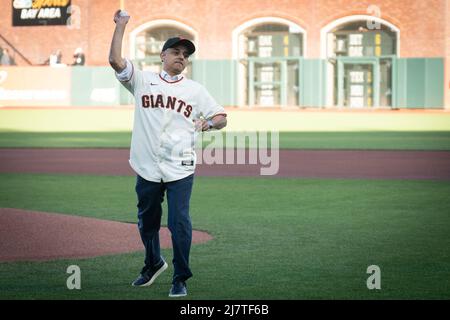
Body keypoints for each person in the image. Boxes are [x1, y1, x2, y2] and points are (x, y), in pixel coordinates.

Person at [109, 9, 227, 298]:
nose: (181, 57)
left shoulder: (195, 90)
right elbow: (115, 60)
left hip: (180, 168)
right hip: (147, 166)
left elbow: (222, 117)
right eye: (175, 51)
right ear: (162, 55)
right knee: (146, 222)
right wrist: (121, 25)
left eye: (185, 54)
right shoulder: (142, 80)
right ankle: (153, 263)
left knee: (179, 223)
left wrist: (207, 123)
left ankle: (180, 277)